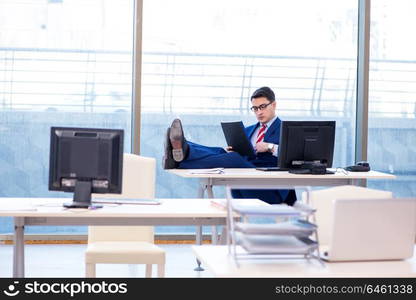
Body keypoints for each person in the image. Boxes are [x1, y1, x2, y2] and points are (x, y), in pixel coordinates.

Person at [163, 86, 296, 205]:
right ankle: (183, 148)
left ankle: (180, 158)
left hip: (269, 187)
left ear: (274, 105)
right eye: (255, 108)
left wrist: (270, 147)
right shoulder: (249, 130)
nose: (258, 112)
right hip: (243, 180)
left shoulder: (286, 129)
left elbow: (294, 156)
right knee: (222, 151)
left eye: (262, 107)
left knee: (235, 158)